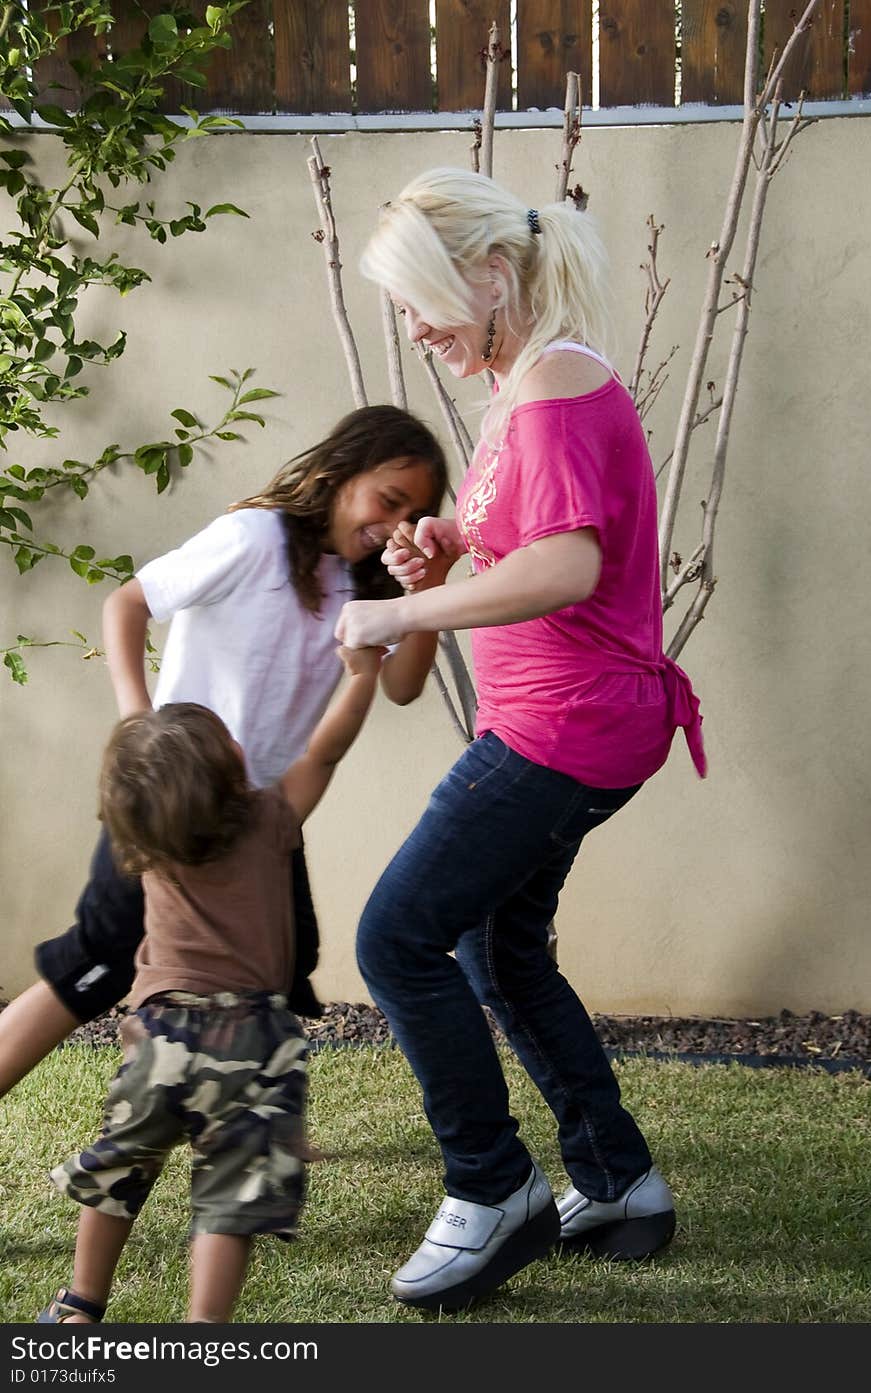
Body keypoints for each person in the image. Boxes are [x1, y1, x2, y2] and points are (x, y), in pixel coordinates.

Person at [334, 168, 707, 1312]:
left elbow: (570, 567)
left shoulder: (549, 390)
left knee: (398, 935)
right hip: (564, 719)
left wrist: (400, 609)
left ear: (492, 275)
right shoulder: (533, 385)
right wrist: (453, 549)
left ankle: (492, 1189)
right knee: (501, 950)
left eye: (424, 302)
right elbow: (534, 549)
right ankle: (620, 1182)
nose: (416, 329)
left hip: (565, 725)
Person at [0, 406, 450, 1100]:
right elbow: (127, 604)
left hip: (265, 816)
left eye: (412, 514)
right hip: (175, 801)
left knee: (279, 967)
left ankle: (260, 1128)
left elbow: (403, 685)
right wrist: (137, 726)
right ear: (339, 473)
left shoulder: (364, 586)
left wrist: (428, 589)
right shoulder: (253, 538)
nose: (395, 526)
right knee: (97, 957)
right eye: (389, 501)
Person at [39, 652, 383, 1324]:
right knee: (229, 1197)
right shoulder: (270, 817)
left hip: (160, 1035)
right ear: (232, 763)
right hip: (254, 1039)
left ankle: (80, 1303)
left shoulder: (145, 841)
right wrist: (363, 675)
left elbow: (144, 782)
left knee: (121, 1166)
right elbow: (328, 748)